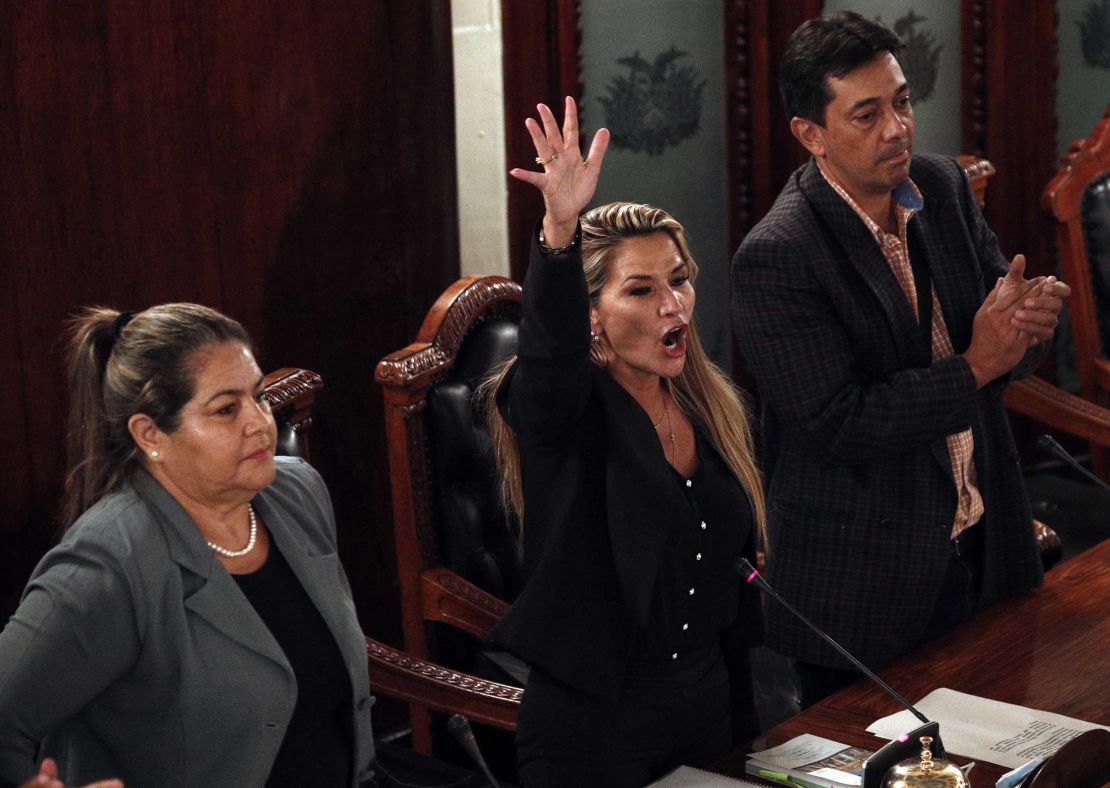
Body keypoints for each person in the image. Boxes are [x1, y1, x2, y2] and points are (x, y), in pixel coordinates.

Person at [731, 11, 1071, 708]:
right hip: (866, 590)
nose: (898, 129)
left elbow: (1006, 349)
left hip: (986, 544)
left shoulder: (941, 189)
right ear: (810, 135)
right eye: (867, 114)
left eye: (903, 101)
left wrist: (1030, 327)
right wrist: (978, 363)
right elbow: (841, 422)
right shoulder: (778, 256)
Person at [483, 97, 766, 787]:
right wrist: (559, 229)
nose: (673, 305)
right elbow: (547, 363)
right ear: (591, 319)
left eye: (679, 281)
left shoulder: (710, 406)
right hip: (593, 735)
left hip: (710, 714)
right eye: (640, 290)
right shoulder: (565, 415)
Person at [0, 304, 375, 787]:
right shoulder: (108, 562)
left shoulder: (297, 493)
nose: (260, 423)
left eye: (258, 397)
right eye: (225, 409)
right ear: (150, 434)